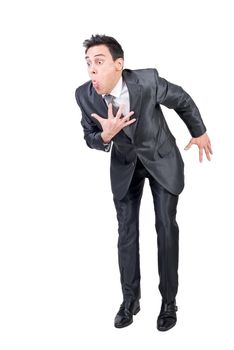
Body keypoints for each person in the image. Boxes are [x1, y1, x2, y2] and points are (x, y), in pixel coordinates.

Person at [75, 34, 212, 331]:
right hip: (125, 166)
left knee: (165, 225)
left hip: (161, 159)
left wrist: (198, 132)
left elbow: (182, 100)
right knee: (126, 232)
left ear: (118, 65)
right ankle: (130, 300)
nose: (92, 71)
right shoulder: (84, 96)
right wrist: (104, 136)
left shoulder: (147, 81)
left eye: (99, 62)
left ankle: (168, 302)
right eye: (88, 64)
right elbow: (89, 136)